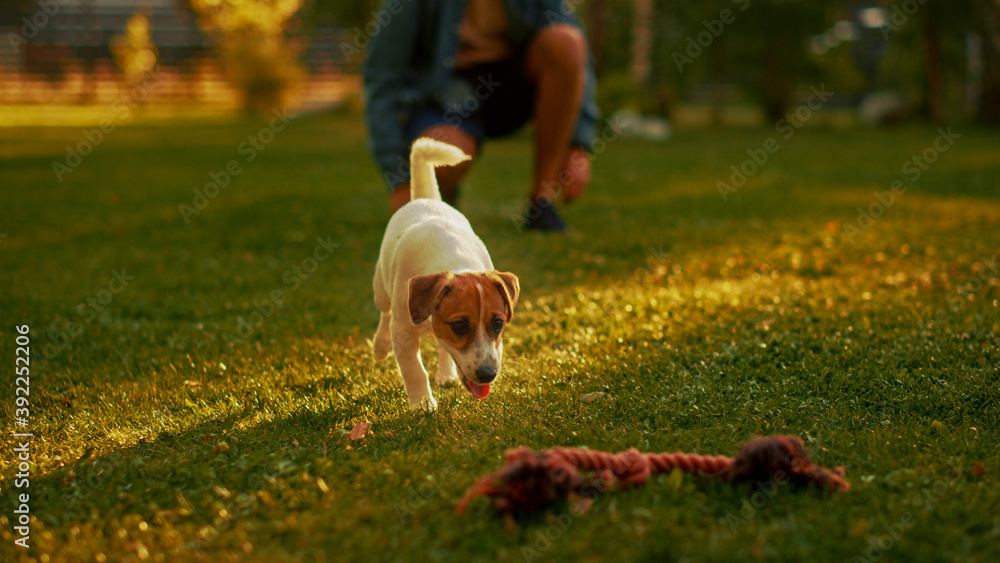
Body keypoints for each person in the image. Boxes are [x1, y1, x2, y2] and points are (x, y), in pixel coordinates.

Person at [363, 0, 600, 232]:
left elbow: (579, 58)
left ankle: (542, 201)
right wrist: (400, 180)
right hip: (447, 94)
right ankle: (443, 194)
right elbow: (382, 76)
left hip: (512, 87)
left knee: (567, 41)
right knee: (438, 163)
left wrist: (578, 143)